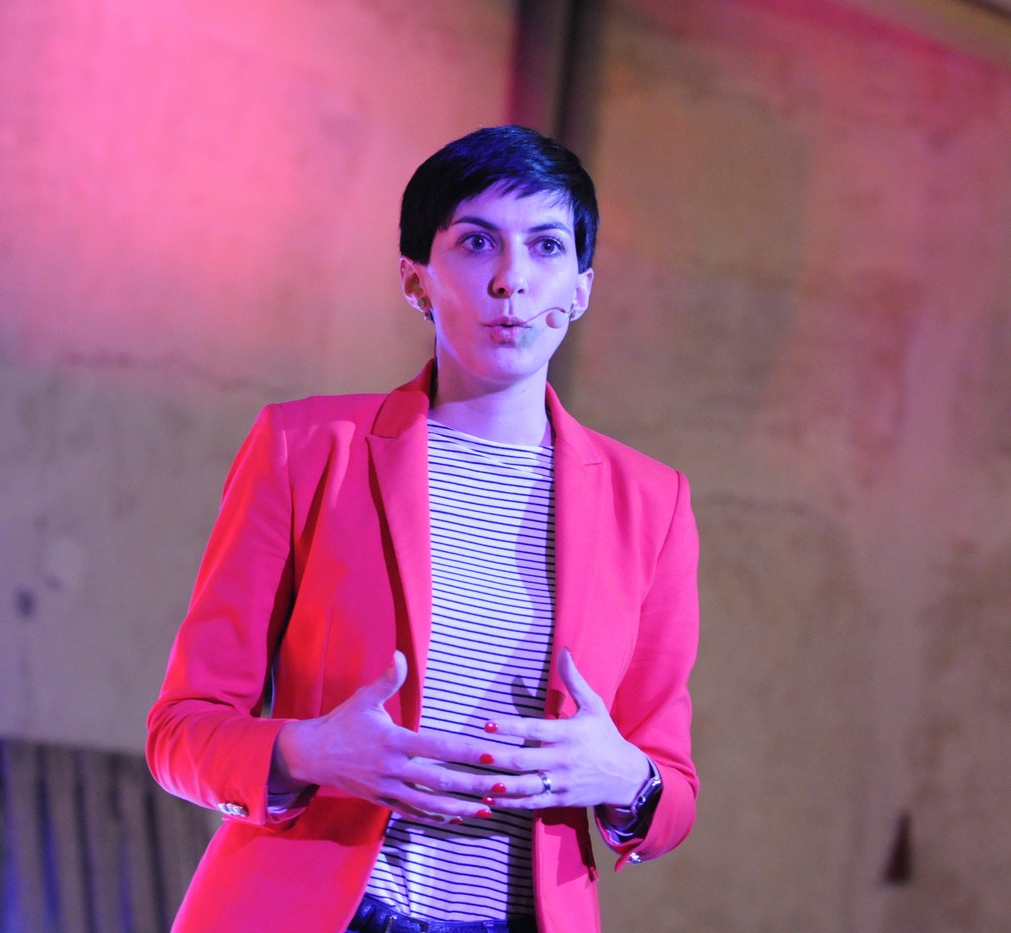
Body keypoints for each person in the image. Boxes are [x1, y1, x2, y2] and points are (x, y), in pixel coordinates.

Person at [146, 125, 700, 933]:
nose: (512, 279)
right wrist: (309, 751)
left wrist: (624, 777)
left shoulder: (650, 502)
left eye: (547, 246)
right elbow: (181, 731)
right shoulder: (307, 449)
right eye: (476, 242)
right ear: (416, 279)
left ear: (581, 288)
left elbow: (671, 792)